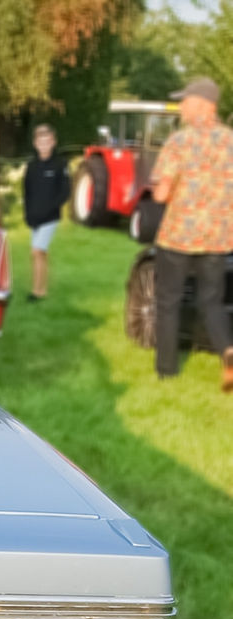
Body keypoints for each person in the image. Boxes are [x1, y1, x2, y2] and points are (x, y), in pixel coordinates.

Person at [149, 76, 233, 387]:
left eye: (185, 100)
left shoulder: (180, 141)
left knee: (168, 302)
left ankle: (166, 371)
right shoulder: (230, 141)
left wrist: (169, 193)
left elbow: (160, 194)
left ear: (201, 103)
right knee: (211, 301)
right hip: (218, 238)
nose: (181, 106)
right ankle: (228, 349)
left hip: (178, 237)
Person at [22, 123, 70, 301]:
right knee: (38, 254)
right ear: (35, 143)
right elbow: (26, 192)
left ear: (53, 142)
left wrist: (49, 209)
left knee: (37, 251)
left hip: (50, 217)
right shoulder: (31, 166)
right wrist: (27, 214)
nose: (44, 144)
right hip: (34, 217)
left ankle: (37, 292)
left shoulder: (60, 164)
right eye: (40, 141)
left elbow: (65, 192)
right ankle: (41, 288)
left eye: (47, 141)